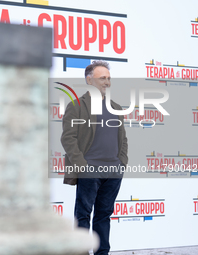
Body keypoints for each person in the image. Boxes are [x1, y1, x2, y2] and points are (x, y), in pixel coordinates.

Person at [60, 60, 128, 255]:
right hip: (89, 170)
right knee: (83, 215)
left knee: (104, 215)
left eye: (108, 78)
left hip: (113, 171)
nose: (107, 82)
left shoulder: (116, 106)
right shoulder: (76, 106)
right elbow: (68, 138)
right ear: (89, 80)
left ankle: (102, 253)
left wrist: (122, 162)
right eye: (102, 78)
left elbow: (123, 138)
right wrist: (82, 165)